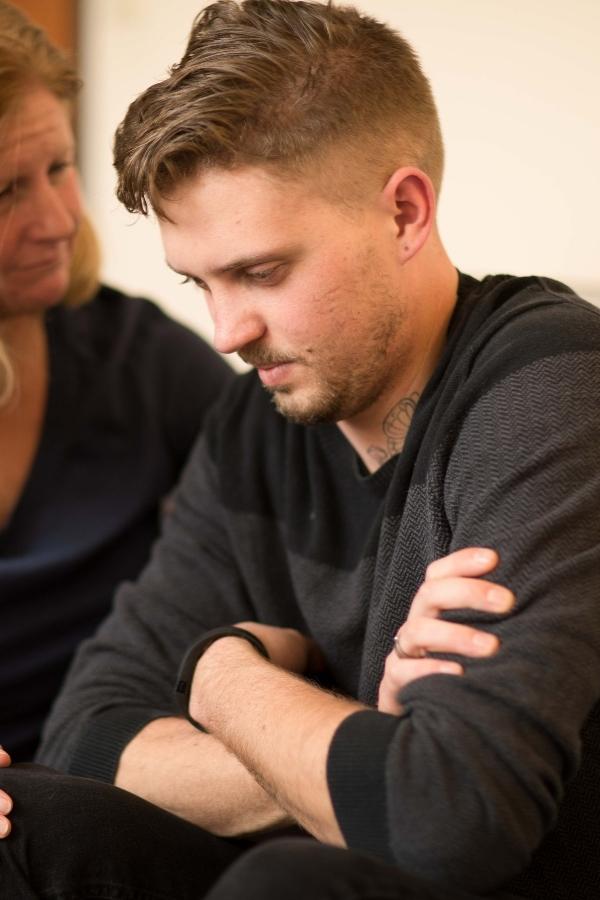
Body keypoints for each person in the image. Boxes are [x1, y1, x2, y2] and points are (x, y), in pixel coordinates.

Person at [1, 1, 600, 898]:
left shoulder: (549, 386)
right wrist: (358, 744)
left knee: (285, 882)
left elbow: (446, 819)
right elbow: (88, 734)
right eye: (198, 282)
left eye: (261, 272)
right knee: (26, 819)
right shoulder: (253, 426)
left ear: (404, 211)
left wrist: (219, 674)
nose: (226, 331)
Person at [0, 0, 233, 762]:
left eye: (61, 168)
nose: (61, 219)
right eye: (5, 193)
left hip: (98, 794)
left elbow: (321, 495)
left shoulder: (138, 360)